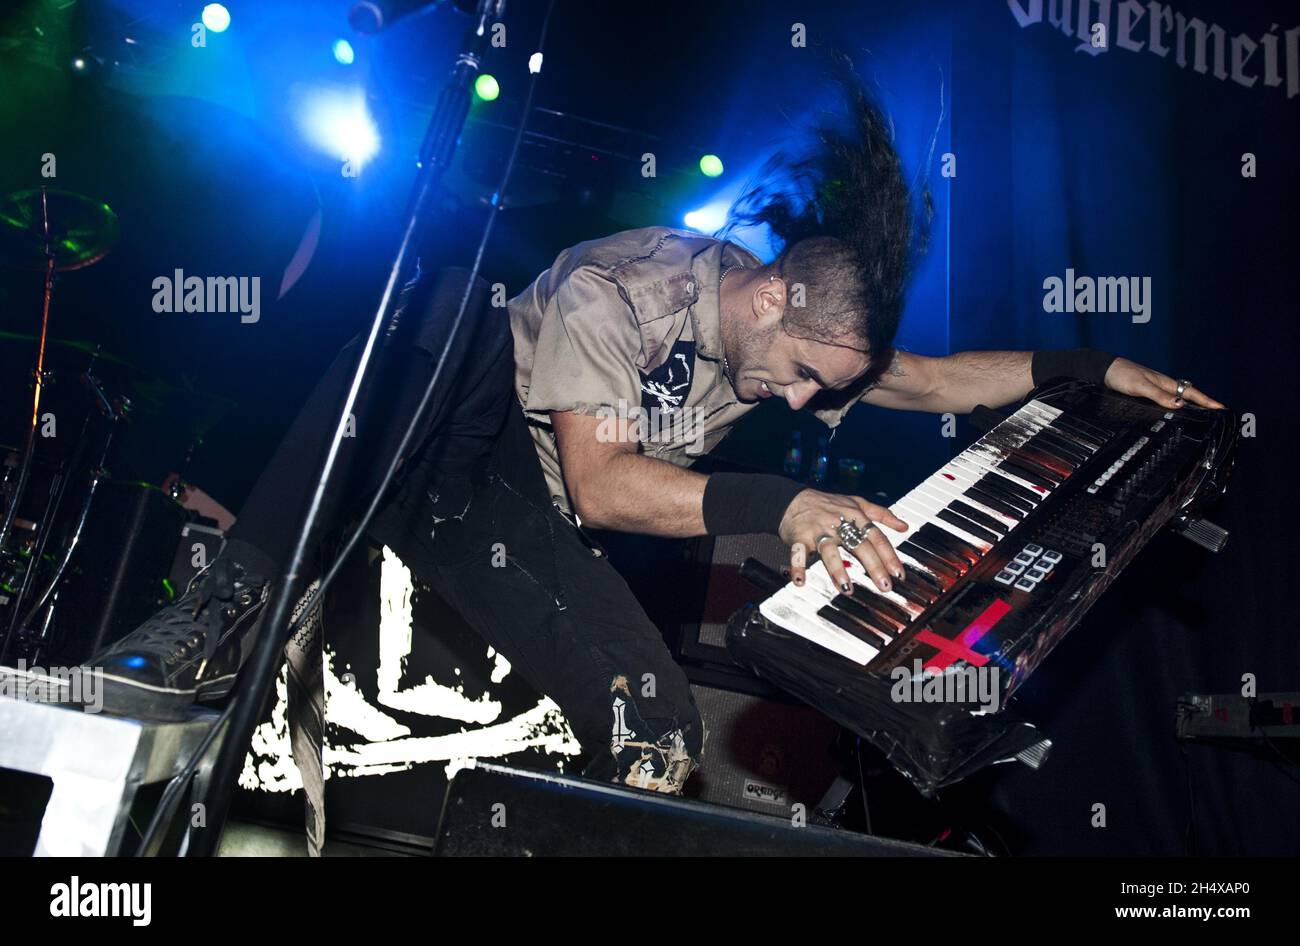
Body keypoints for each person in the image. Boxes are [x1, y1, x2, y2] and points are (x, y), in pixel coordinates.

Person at [83, 64, 1222, 794]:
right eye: (796, 378)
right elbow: (602, 487)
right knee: (443, 307)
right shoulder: (620, 288)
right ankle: (219, 606)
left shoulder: (804, 345)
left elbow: (934, 382)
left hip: (505, 514)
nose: (798, 402)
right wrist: (782, 503)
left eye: (820, 390)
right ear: (771, 295)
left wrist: (1093, 362)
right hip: (449, 439)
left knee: (658, 734)